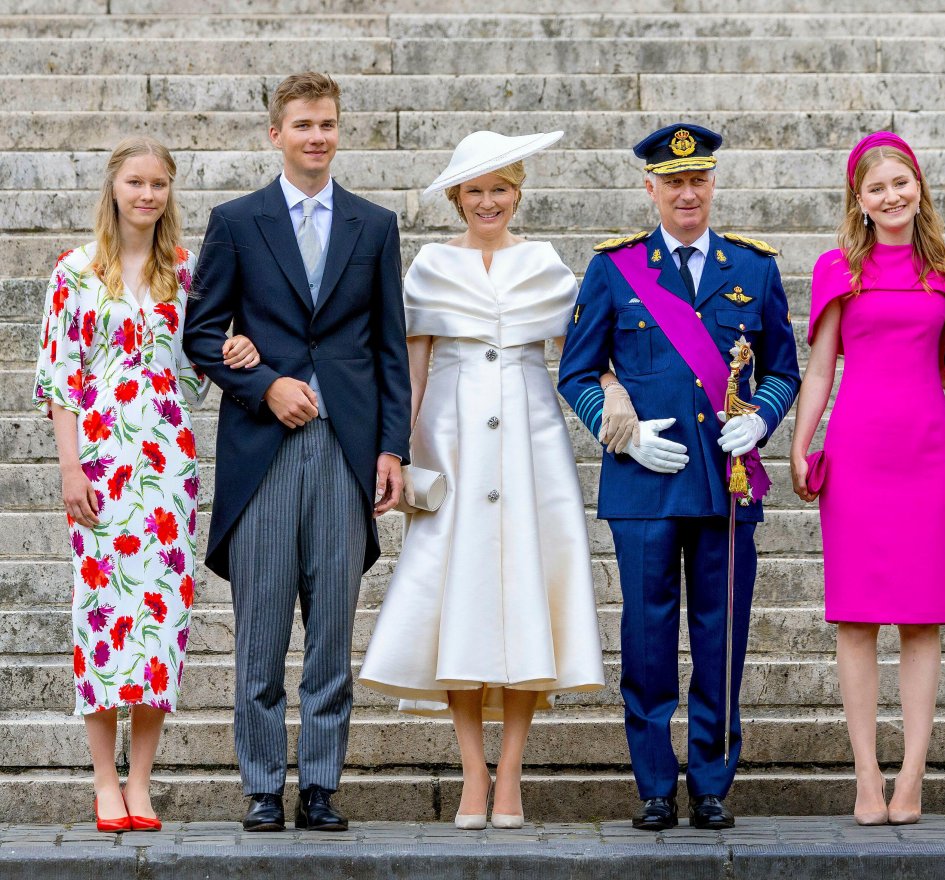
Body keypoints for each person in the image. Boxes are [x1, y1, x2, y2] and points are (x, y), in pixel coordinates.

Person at [358, 130, 612, 830]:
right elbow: (410, 373)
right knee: (459, 603)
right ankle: (474, 774)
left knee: (530, 598)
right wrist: (397, 454)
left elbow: (581, 357)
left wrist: (615, 396)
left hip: (533, 446)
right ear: (456, 197)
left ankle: (512, 779)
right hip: (454, 441)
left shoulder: (544, 263)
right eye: (476, 190)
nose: (489, 201)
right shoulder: (432, 265)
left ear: (518, 190)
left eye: (501, 188)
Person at [182, 72, 411, 833]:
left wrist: (391, 449)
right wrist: (265, 384)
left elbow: (387, 350)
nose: (317, 136)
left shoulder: (373, 226)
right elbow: (201, 333)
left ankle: (318, 783)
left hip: (345, 451)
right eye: (303, 124)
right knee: (262, 629)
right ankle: (259, 785)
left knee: (332, 632)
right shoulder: (237, 221)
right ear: (274, 133)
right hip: (264, 451)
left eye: (328, 124)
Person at [558, 123, 801, 831]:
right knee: (648, 639)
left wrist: (760, 418)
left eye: (697, 180)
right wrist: (622, 432)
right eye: (673, 182)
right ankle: (656, 784)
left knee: (721, 636)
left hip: (725, 486)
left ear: (712, 184)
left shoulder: (751, 268)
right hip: (644, 487)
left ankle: (714, 780)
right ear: (651, 189)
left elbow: (784, 365)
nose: (686, 192)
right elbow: (575, 371)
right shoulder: (616, 269)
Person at [33, 136, 259, 832]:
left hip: (165, 468)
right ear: (114, 188)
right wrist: (70, 468)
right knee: (101, 617)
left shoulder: (186, 274)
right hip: (99, 467)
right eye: (136, 182)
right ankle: (103, 780)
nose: (148, 195)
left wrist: (236, 350)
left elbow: (197, 369)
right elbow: (59, 380)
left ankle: (140, 783)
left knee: (159, 621)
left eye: (159, 184)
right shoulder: (75, 271)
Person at [789, 131, 945, 826]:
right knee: (853, 617)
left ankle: (912, 776)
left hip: (926, 453)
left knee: (921, 618)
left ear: (919, 187)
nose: (891, 196)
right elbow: (821, 367)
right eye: (877, 188)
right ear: (860, 199)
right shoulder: (836, 269)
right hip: (856, 453)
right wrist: (800, 442)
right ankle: (866, 777)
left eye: (901, 183)